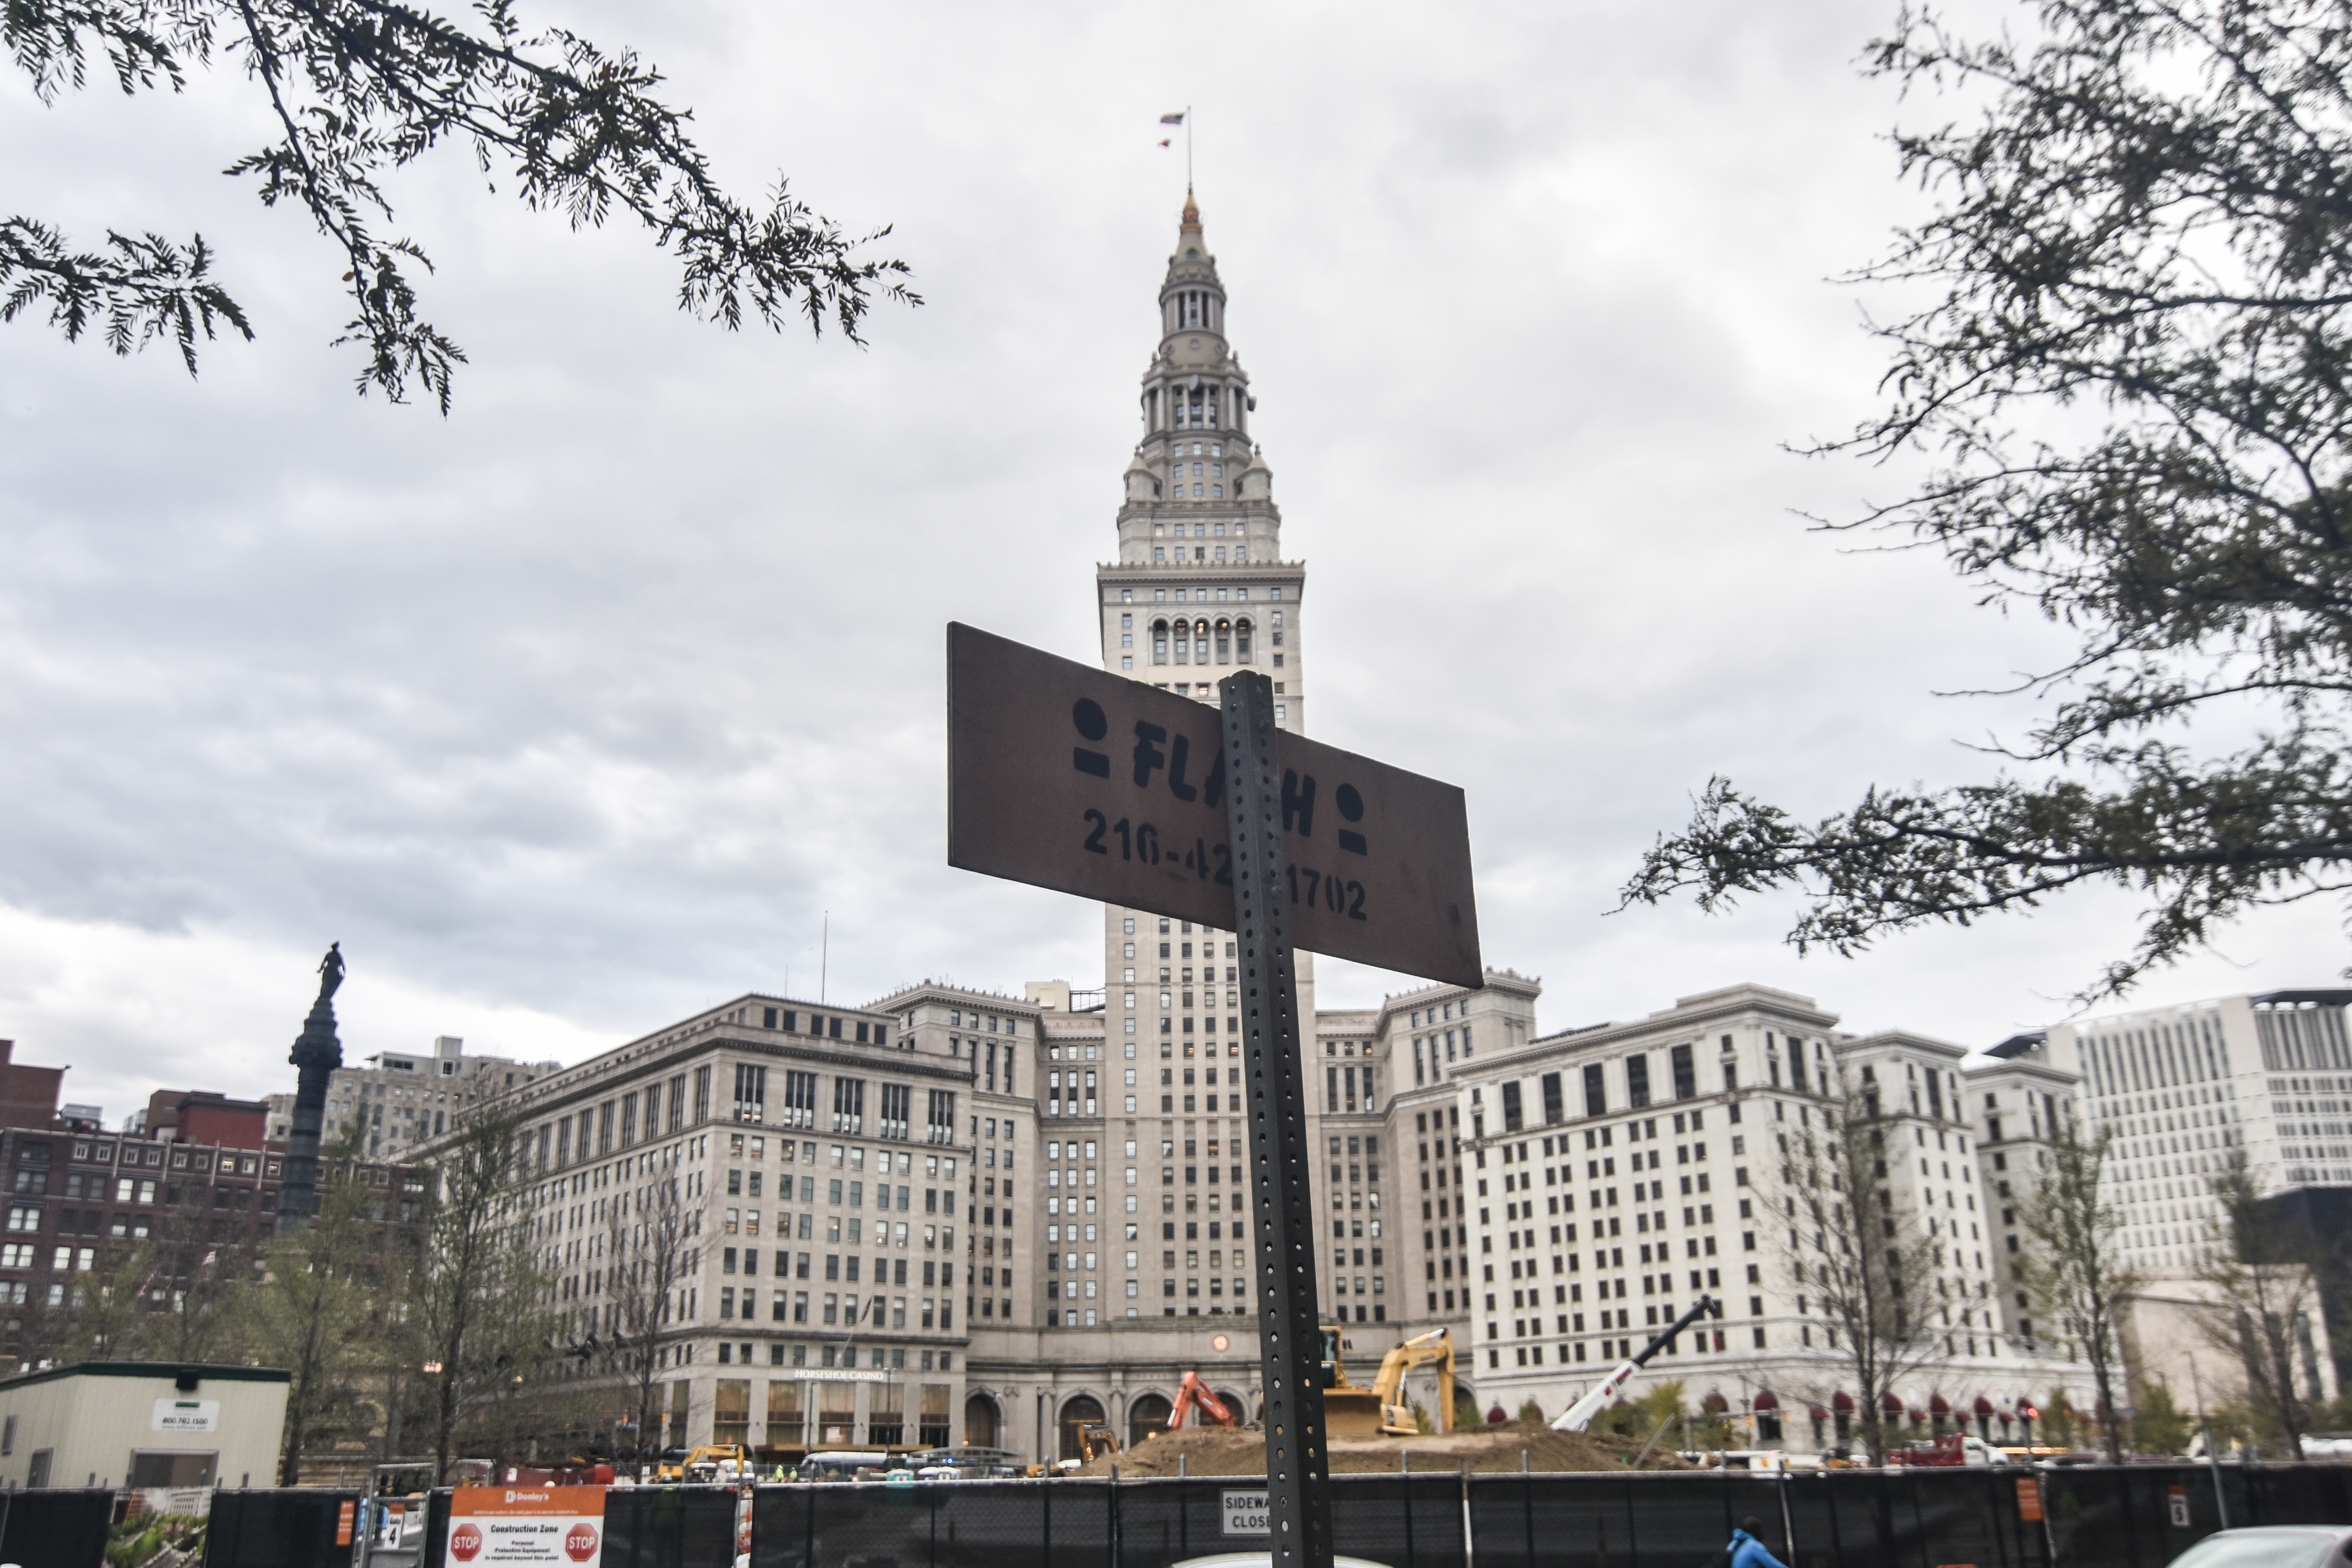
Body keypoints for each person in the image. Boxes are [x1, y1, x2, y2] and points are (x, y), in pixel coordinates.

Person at [1726, 1516, 1791, 1568]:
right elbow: (1775, 1566)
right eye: (1760, 1530)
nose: (1763, 1533)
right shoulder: (1753, 1546)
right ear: (1755, 1531)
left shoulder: (1734, 1544)